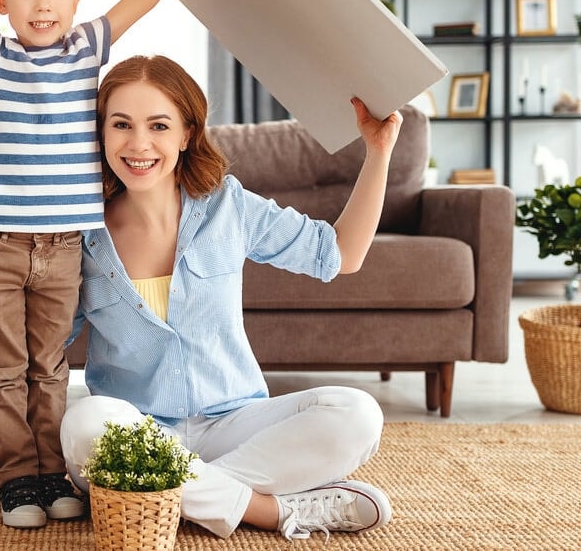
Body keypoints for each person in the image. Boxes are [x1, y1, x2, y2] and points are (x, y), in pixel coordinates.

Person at [0, 0, 208, 528]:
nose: (43, 5)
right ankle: (16, 481)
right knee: (3, 372)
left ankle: (54, 473)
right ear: (5, 0)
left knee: (51, 369)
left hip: (63, 248)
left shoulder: (87, 47)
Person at [60, 55, 403, 542]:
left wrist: (378, 151)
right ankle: (272, 512)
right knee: (85, 422)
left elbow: (340, 254)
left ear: (186, 134)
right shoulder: (80, 234)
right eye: (121, 125)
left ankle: (170, 499)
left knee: (357, 413)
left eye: (158, 125)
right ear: (101, 132)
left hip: (235, 424)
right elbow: (44, 348)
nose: (138, 144)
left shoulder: (227, 205)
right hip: (139, 433)